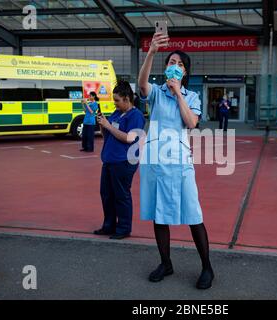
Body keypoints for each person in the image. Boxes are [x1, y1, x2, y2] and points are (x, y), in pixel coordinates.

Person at [138, 32, 214, 289]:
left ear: (185, 72)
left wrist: (178, 93)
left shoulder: (191, 97)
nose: (175, 66)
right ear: (166, 68)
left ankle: (207, 267)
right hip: (155, 162)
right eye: (171, 62)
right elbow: (141, 85)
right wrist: (151, 52)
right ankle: (166, 263)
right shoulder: (156, 93)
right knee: (159, 215)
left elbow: (191, 122)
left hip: (180, 163)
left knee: (193, 214)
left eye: (180, 64)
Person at [94, 81, 146, 240]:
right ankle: (109, 225)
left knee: (121, 195)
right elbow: (107, 136)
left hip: (123, 161)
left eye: (117, 100)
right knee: (106, 194)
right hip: (110, 160)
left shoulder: (136, 116)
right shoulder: (116, 114)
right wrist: (103, 125)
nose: (114, 103)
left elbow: (130, 138)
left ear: (127, 99)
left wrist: (109, 126)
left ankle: (123, 228)